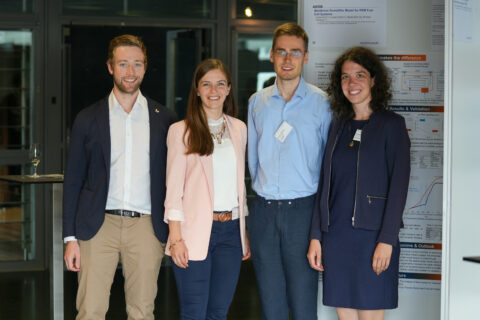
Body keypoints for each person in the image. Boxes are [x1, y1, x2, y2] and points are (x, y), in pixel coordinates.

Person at [62, 34, 177, 320]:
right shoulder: (88, 118)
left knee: (142, 312)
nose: (130, 72)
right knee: (90, 311)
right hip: (98, 226)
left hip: (146, 227)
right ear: (110, 67)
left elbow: (175, 180)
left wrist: (176, 232)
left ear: (145, 67)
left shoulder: (164, 119)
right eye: (123, 64)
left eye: (137, 64)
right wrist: (70, 238)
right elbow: (73, 180)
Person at [307, 46, 411, 320]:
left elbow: (399, 187)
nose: (351, 83)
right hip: (337, 237)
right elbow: (325, 185)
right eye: (345, 76)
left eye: (359, 75)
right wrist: (316, 236)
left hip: (373, 238)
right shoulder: (337, 126)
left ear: (374, 80)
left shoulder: (392, 125)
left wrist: (387, 240)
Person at [247, 22, 332, 319]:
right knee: (271, 305)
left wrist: (319, 226)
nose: (287, 58)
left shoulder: (322, 105)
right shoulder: (256, 103)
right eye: (281, 51)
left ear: (305, 57)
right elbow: (252, 159)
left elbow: (327, 165)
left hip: (303, 213)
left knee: (304, 303)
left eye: (295, 52)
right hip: (264, 211)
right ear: (271, 55)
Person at [164, 58, 250, 320]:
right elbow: (173, 190)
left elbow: (239, 186)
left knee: (218, 312)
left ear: (228, 88)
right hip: (193, 234)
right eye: (207, 84)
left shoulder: (239, 129)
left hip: (231, 234)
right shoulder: (181, 131)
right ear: (197, 89)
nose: (214, 91)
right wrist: (176, 239)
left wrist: (243, 232)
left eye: (220, 84)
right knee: (194, 313)